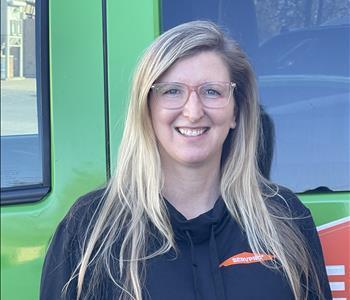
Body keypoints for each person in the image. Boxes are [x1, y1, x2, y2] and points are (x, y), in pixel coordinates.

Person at [40, 21, 332, 300]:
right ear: (147, 108)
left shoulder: (285, 218)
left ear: (235, 111)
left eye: (212, 92)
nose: (193, 111)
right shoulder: (90, 229)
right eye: (172, 91)